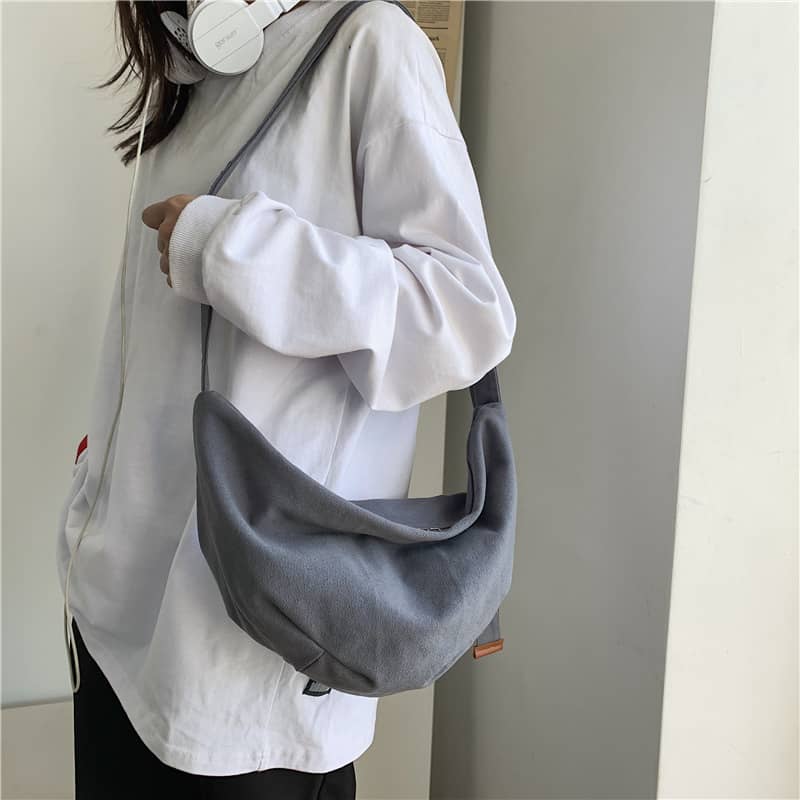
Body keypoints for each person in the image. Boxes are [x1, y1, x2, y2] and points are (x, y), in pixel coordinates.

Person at [55, 0, 517, 797]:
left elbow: (464, 314)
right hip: (111, 620)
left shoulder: (371, 46)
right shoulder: (193, 62)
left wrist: (231, 247)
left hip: (248, 659)